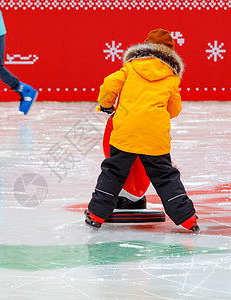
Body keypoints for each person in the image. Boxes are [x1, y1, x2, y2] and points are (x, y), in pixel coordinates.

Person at [85, 29, 199, 233]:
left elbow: (110, 84)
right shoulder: (171, 78)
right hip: (155, 137)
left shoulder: (130, 67)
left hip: (125, 132)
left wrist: (106, 104)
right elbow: (175, 109)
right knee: (165, 177)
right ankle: (188, 219)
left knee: (113, 172)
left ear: (145, 46)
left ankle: (95, 215)